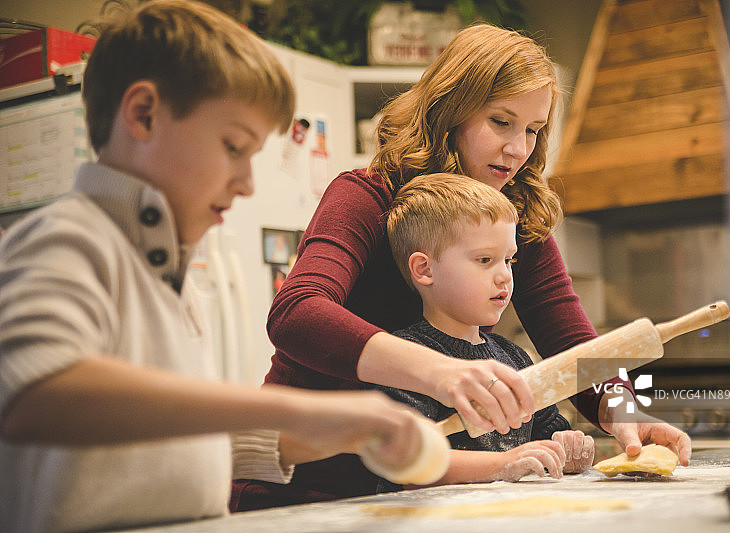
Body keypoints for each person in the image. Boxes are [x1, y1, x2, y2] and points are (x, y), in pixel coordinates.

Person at [0, 2, 442, 532]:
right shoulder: (70, 239)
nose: (247, 182)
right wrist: (294, 411)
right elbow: (35, 393)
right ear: (143, 114)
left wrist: (345, 431)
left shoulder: (168, 271)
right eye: (234, 147)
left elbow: (171, 434)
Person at [232, 23, 690, 510]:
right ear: (449, 111)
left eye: (533, 130)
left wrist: (622, 410)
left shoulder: (513, 217)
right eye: (501, 121)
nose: (518, 148)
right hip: (303, 489)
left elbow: (575, 346)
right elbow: (297, 313)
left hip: (414, 501)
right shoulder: (366, 197)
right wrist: (440, 372)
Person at [375, 172, 595, 491]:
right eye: (485, 260)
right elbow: (408, 461)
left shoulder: (514, 358)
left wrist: (567, 448)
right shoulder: (405, 360)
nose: (504, 276)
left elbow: (545, 434)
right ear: (424, 269)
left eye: (508, 260)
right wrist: (504, 464)